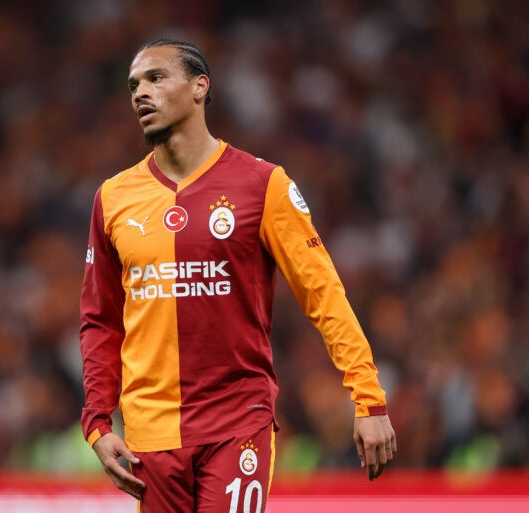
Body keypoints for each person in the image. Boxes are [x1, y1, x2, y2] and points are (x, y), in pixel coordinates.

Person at [79, 38, 396, 512]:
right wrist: (98, 423)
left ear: (200, 87)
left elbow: (323, 294)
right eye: (133, 85)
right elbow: (100, 320)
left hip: (236, 421)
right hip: (149, 434)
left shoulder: (263, 185)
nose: (141, 92)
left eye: (156, 78)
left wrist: (368, 398)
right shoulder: (113, 198)